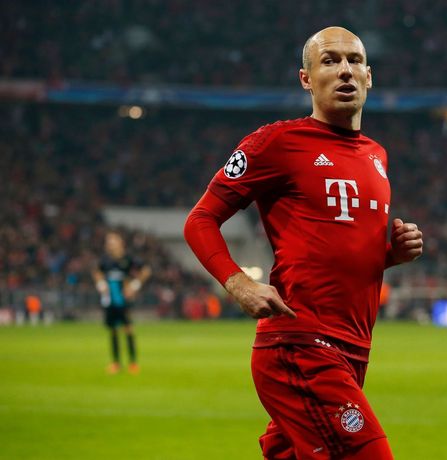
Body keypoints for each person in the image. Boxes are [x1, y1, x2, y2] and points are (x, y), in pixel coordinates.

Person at [184, 26, 423, 459]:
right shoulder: (276, 143)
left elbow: (334, 252)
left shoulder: (376, 155)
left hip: (353, 348)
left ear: (370, 77)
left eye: (355, 60)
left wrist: (391, 255)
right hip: (300, 343)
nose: (345, 70)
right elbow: (200, 220)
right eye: (330, 61)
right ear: (306, 79)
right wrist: (238, 282)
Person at [92, 231, 151, 374]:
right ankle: (116, 363)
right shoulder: (105, 260)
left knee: (128, 329)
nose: (110, 244)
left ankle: (132, 363)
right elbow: (96, 271)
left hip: (123, 299)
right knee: (113, 330)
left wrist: (134, 285)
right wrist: (101, 284)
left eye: (113, 241)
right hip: (110, 300)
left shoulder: (128, 258)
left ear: (120, 243)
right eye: (108, 241)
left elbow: (146, 270)